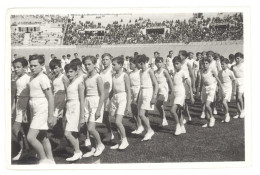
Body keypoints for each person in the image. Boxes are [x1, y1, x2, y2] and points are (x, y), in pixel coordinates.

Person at [27, 54, 56, 164]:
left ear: (42, 65)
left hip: (41, 109)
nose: (32, 68)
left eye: (35, 65)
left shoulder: (43, 78)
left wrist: (50, 115)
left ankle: (43, 159)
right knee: (43, 136)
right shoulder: (32, 77)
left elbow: (50, 97)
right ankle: (51, 160)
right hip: (34, 108)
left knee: (31, 137)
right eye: (31, 66)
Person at [81, 56, 105, 157]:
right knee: (87, 127)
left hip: (96, 102)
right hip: (87, 101)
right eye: (85, 64)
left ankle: (100, 144)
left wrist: (99, 109)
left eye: (89, 64)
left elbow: (102, 94)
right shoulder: (86, 78)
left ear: (94, 64)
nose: (87, 66)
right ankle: (93, 148)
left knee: (91, 128)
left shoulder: (98, 77)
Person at [64, 63, 85, 161]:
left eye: (71, 71)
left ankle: (78, 152)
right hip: (69, 107)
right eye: (67, 72)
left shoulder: (79, 83)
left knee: (67, 133)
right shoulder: (69, 83)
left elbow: (82, 100)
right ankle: (77, 152)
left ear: (76, 72)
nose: (68, 74)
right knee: (74, 133)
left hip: (76, 108)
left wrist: (82, 116)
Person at [109, 56, 131, 150]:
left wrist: (128, 105)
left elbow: (128, 90)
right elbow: (112, 90)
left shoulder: (125, 75)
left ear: (121, 65)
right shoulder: (113, 76)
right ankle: (119, 141)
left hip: (123, 97)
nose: (112, 66)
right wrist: (109, 100)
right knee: (115, 122)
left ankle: (125, 140)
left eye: (114, 64)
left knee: (118, 121)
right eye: (112, 64)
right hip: (115, 98)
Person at [11, 57, 30, 161]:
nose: (16, 69)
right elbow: (16, 96)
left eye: (18, 67)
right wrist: (13, 108)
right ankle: (24, 149)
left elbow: (31, 95)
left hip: (25, 108)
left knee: (24, 130)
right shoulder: (18, 79)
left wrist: (27, 110)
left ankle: (29, 150)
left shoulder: (28, 79)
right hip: (19, 107)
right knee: (16, 129)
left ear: (25, 68)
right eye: (15, 67)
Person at [136, 54, 158, 141]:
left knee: (141, 114)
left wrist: (154, 97)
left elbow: (156, 84)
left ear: (141, 63)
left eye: (137, 63)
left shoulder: (150, 71)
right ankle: (148, 131)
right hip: (142, 92)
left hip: (148, 93)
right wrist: (138, 96)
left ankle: (150, 130)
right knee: (144, 114)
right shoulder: (141, 72)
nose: (136, 65)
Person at [171, 56, 194, 135]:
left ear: (181, 64)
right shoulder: (174, 72)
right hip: (174, 93)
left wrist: (191, 95)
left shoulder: (183, 72)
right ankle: (182, 127)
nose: (175, 65)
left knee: (172, 110)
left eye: (177, 64)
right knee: (178, 111)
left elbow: (189, 84)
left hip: (181, 93)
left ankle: (178, 127)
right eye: (174, 64)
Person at [198, 57, 223, 128]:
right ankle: (208, 121)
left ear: (209, 64)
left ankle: (212, 118)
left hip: (212, 88)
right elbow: (202, 82)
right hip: (204, 89)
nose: (205, 65)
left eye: (207, 63)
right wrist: (199, 91)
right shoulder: (201, 71)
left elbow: (218, 80)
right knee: (205, 107)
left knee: (207, 105)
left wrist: (221, 90)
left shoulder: (212, 70)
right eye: (204, 63)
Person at [48, 59, 67, 151]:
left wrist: (65, 103)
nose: (54, 70)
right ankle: (63, 142)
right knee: (57, 123)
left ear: (60, 67)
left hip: (61, 101)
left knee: (54, 122)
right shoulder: (53, 78)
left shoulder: (64, 77)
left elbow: (67, 90)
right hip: (55, 100)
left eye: (56, 68)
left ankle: (63, 141)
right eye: (52, 68)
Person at [154, 57, 174, 126]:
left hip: (164, 89)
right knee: (160, 105)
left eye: (160, 62)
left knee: (158, 104)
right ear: (155, 63)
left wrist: (172, 90)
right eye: (157, 62)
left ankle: (164, 118)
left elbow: (169, 80)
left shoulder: (164, 71)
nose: (158, 64)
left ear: (162, 63)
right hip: (158, 89)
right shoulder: (155, 72)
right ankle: (164, 119)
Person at [100, 53, 114, 142]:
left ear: (110, 60)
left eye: (106, 59)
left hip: (110, 96)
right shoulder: (101, 72)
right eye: (103, 60)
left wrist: (110, 97)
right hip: (102, 96)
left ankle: (112, 133)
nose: (104, 61)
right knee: (104, 116)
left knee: (109, 115)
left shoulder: (112, 71)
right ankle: (110, 132)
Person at [179, 50, 195, 123]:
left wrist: (193, 86)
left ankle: (185, 116)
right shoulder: (178, 63)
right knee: (182, 101)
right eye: (179, 55)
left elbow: (192, 75)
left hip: (186, 83)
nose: (179, 56)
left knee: (184, 101)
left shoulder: (187, 63)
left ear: (185, 56)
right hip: (180, 83)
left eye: (181, 55)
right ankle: (187, 115)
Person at [218, 58, 237, 122]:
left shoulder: (230, 72)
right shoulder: (220, 72)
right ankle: (225, 115)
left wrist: (234, 90)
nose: (222, 66)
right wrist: (219, 89)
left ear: (226, 64)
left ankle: (227, 114)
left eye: (223, 64)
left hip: (228, 87)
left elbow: (234, 80)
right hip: (222, 88)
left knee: (224, 102)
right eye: (221, 64)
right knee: (223, 103)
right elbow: (219, 81)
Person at [129, 56, 143, 134]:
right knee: (133, 111)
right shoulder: (130, 73)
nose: (129, 66)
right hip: (132, 91)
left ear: (135, 64)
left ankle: (140, 126)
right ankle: (137, 126)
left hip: (137, 91)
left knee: (136, 109)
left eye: (131, 64)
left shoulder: (139, 72)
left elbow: (141, 83)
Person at [231, 52, 244, 119]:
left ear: (241, 59)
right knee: (236, 99)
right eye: (236, 58)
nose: (237, 60)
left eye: (238, 58)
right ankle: (238, 112)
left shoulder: (244, 65)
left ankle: (242, 110)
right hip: (236, 82)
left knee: (239, 97)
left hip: (243, 82)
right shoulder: (233, 66)